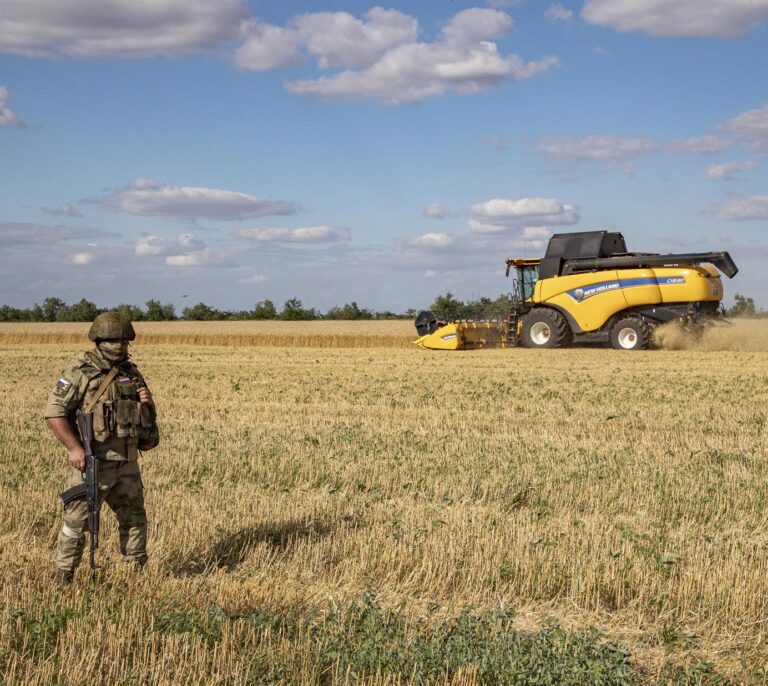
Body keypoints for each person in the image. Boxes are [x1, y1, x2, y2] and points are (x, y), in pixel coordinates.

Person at [44, 311, 159, 583]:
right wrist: (74, 448)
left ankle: (136, 573)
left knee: (134, 519)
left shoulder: (131, 374)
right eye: (112, 339)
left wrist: (147, 402)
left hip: (127, 462)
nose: (119, 345)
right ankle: (64, 576)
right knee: (77, 523)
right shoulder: (79, 372)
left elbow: (146, 426)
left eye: (123, 340)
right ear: (99, 340)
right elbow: (54, 413)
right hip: (94, 461)